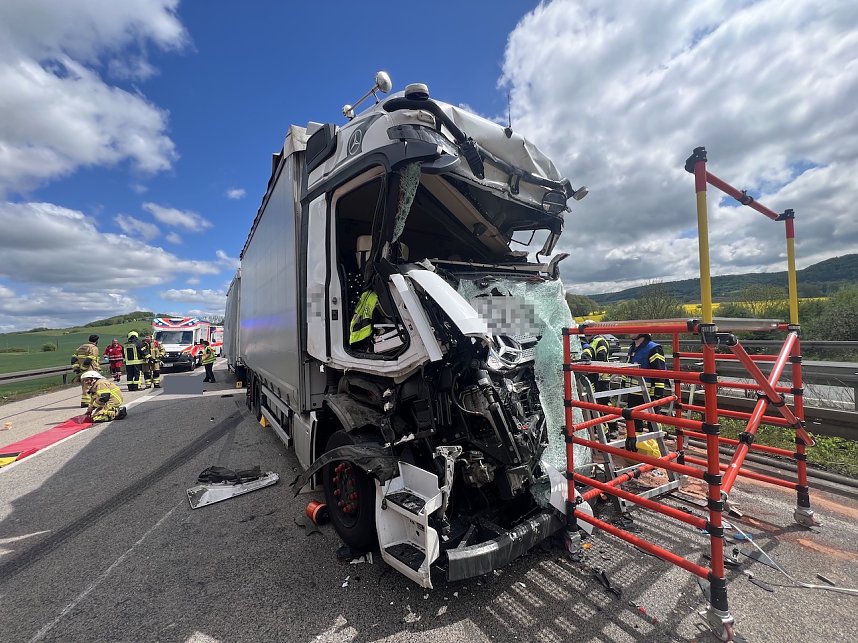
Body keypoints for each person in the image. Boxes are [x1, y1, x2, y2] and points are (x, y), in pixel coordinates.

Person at [624, 333, 667, 433]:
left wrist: (658, 394)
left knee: (653, 422)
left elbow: (660, 373)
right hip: (633, 392)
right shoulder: (632, 348)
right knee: (634, 422)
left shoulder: (653, 348)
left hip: (649, 394)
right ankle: (638, 445)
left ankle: (656, 445)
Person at [582, 334, 619, 439]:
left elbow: (601, 357)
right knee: (595, 403)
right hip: (594, 377)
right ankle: (602, 429)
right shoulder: (590, 342)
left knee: (605, 403)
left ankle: (612, 427)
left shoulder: (599, 341)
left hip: (601, 377)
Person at [71, 334, 101, 407]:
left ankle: (84, 401)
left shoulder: (81, 347)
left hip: (82, 370)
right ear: (96, 341)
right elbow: (89, 360)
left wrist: (77, 368)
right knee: (92, 385)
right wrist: (84, 368)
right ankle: (91, 401)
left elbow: (74, 359)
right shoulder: (94, 348)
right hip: (90, 369)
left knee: (85, 385)